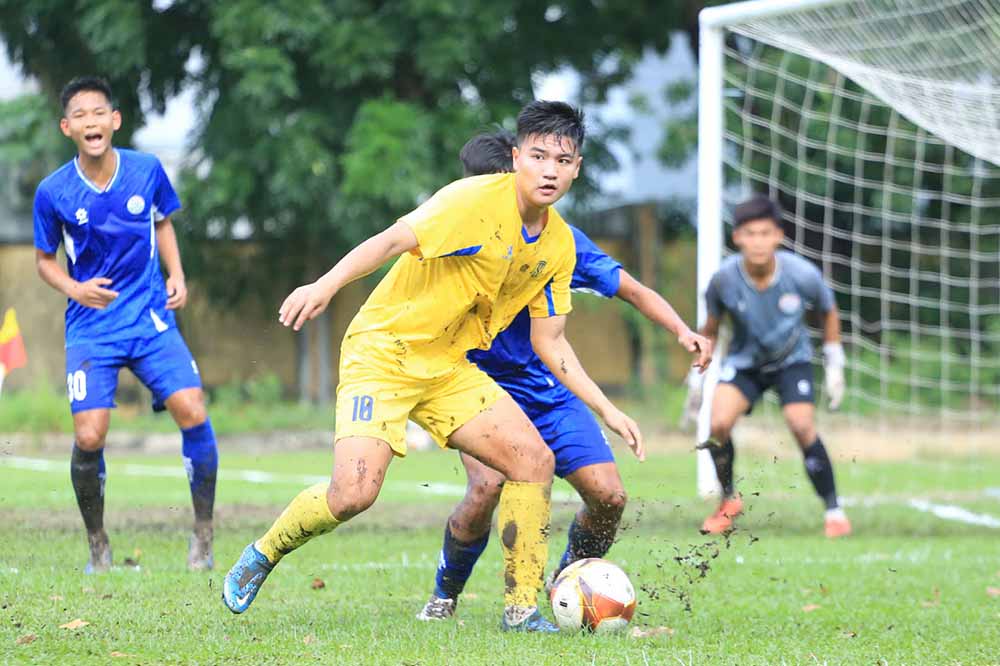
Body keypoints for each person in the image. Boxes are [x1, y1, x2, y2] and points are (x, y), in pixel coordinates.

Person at [221, 101, 642, 632]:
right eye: (538, 156)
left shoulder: (558, 245)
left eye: (563, 160)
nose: (550, 170)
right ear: (516, 158)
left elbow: (551, 342)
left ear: (576, 167)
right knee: (353, 495)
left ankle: (521, 611)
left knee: (532, 460)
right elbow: (393, 239)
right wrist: (324, 285)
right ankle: (264, 551)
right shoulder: (471, 202)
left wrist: (606, 409)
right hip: (383, 353)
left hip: (448, 365)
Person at [417, 130, 713, 621]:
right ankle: (445, 593)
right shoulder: (455, 232)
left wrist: (683, 330)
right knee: (487, 487)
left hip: (547, 389)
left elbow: (633, 290)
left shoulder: (558, 241)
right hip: (475, 387)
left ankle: (566, 587)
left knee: (609, 496)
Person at [33, 76, 217, 573]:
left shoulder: (147, 169)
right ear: (67, 127)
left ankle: (203, 533)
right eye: (81, 115)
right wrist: (76, 289)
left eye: (100, 112)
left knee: (193, 409)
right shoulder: (53, 191)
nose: (92, 121)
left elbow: (162, 222)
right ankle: (97, 543)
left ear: (114, 121)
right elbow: (44, 261)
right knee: (90, 436)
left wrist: (177, 274)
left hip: (151, 318)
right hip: (91, 326)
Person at [685, 195, 851, 538]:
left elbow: (828, 310)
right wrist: (696, 378)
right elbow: (711, 328)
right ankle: (728, 501)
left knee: (801, 424)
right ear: (737, 238)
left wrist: (834, 363)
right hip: (745, 363)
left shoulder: (801, 274)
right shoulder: (724, 281)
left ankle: (834, 510)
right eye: (750, 234)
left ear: (779, 236)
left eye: (765, 233)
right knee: (717, 424)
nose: (758, 242)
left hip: (792, 360)